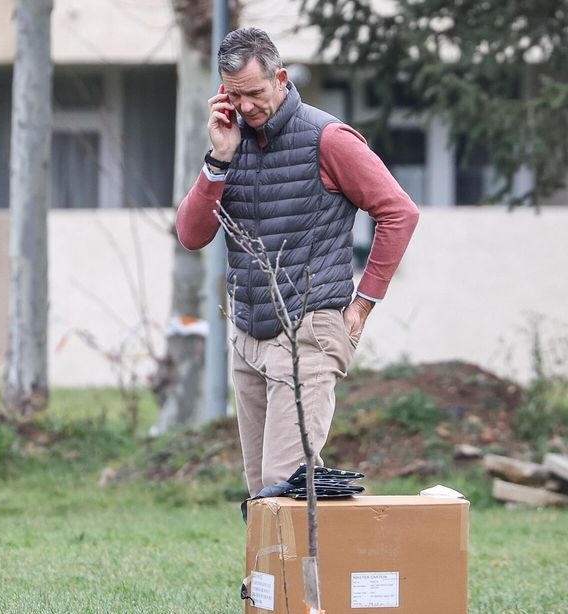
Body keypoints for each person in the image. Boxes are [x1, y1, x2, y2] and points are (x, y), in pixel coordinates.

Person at [175, 28, 419, 496]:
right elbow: (191, 235)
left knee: (283, 482)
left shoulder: (328, 138)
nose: (244, 107)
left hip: (310, 328)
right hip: (249, 332)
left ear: (280, 78)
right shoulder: (229, 143)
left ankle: (343, 564)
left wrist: (362, 305)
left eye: (254, 93)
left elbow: (399, 212)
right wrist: (218, 160)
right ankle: (271, 574)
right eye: (233, 95)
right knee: (260, 487)